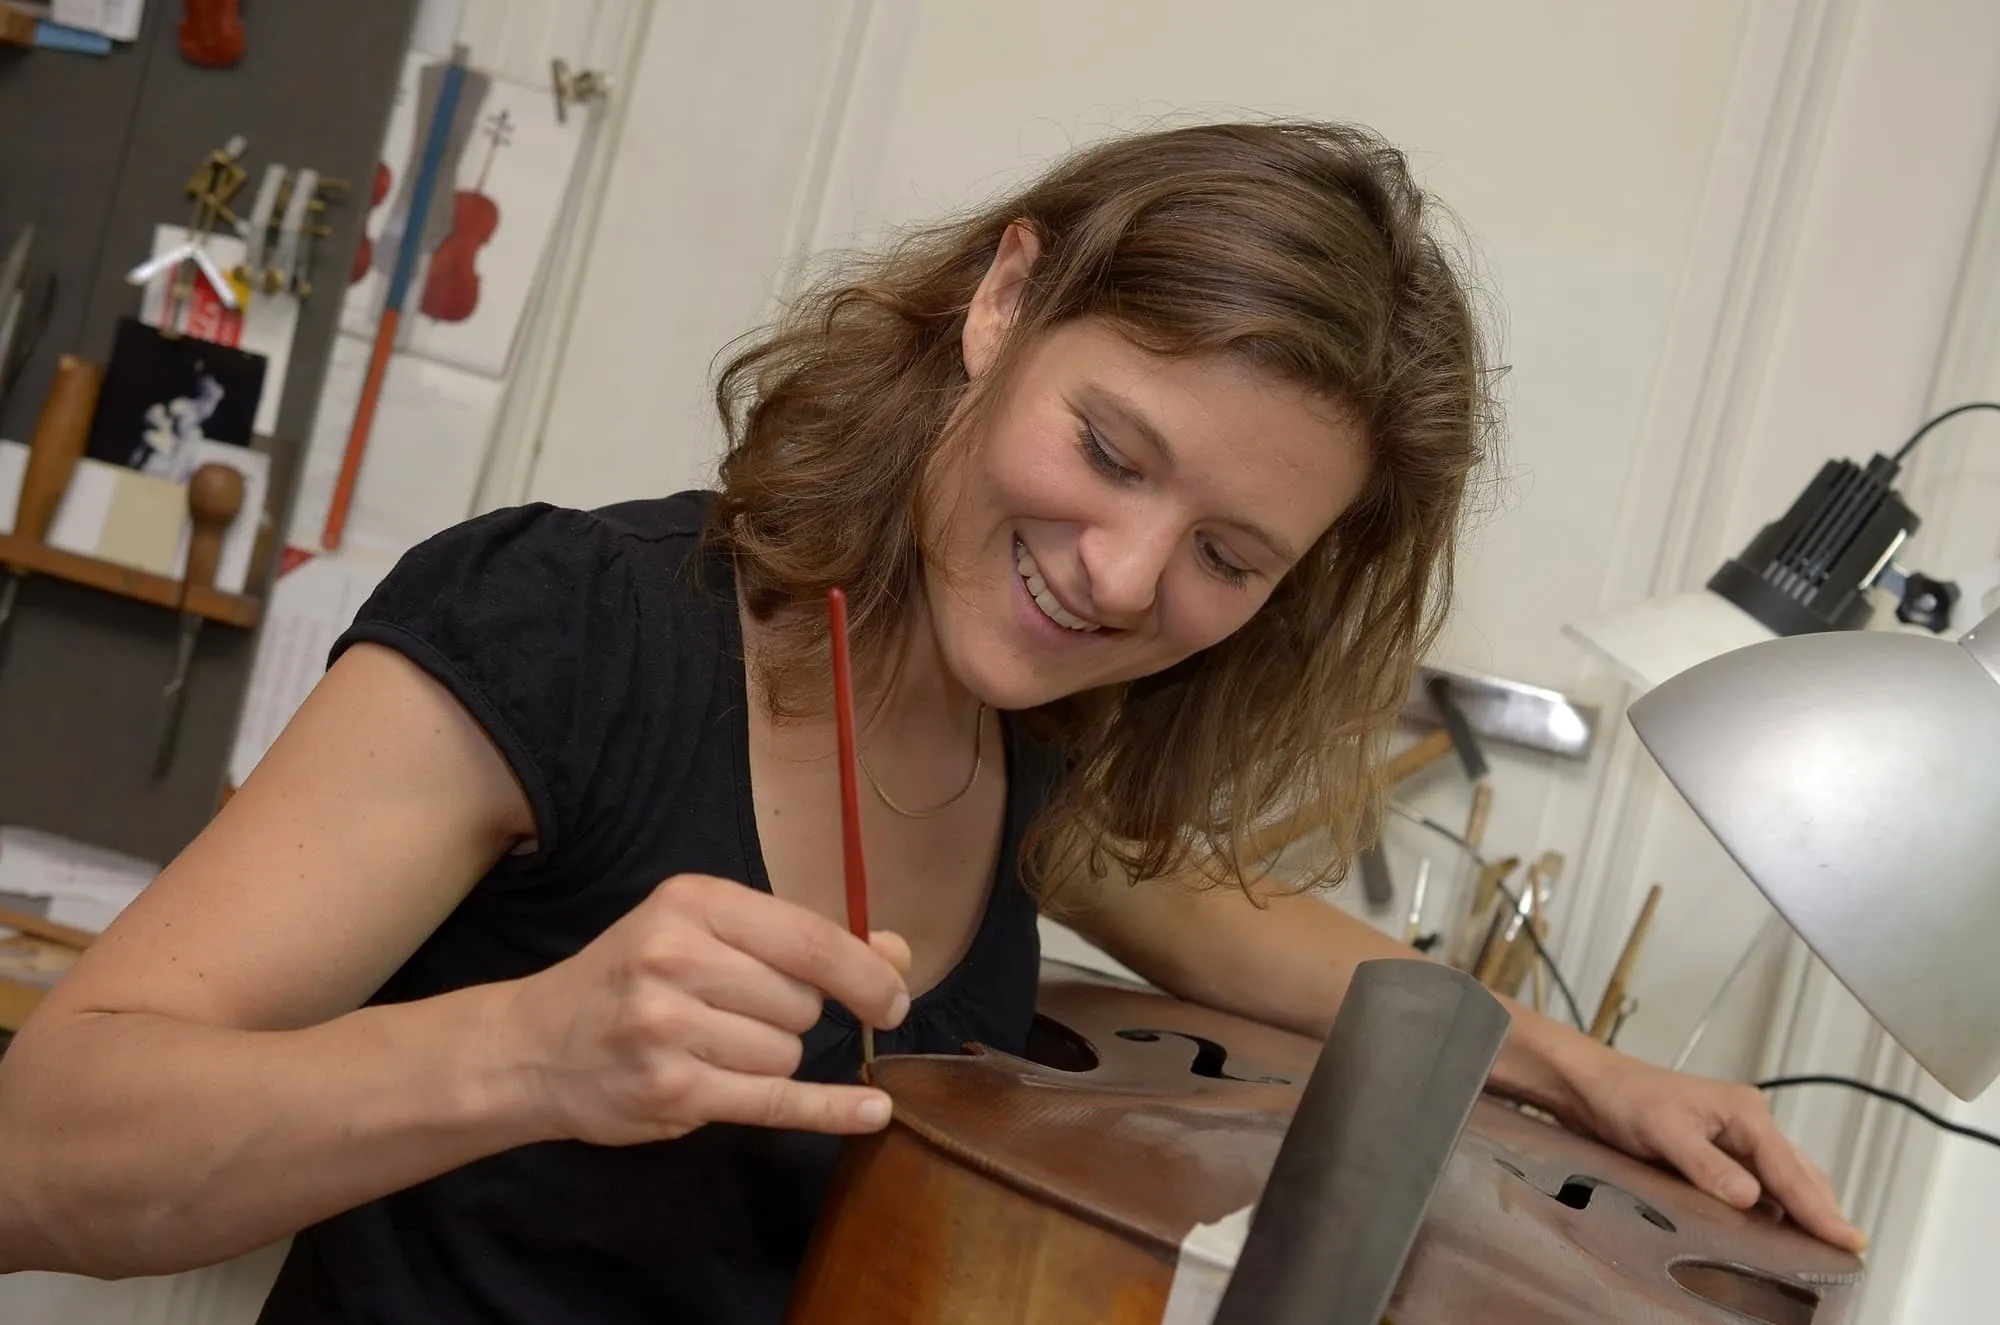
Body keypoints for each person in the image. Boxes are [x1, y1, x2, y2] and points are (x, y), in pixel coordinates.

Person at [0, 120, 1864, 1322]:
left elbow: (1229, 919)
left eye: (1229, 555)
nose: (1124, 578)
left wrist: (1578, 1069)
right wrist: (532, 1051)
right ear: (1004, 300)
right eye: (1109, 451)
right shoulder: (563, 630)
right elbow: (40, 1156)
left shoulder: (1023, 748)